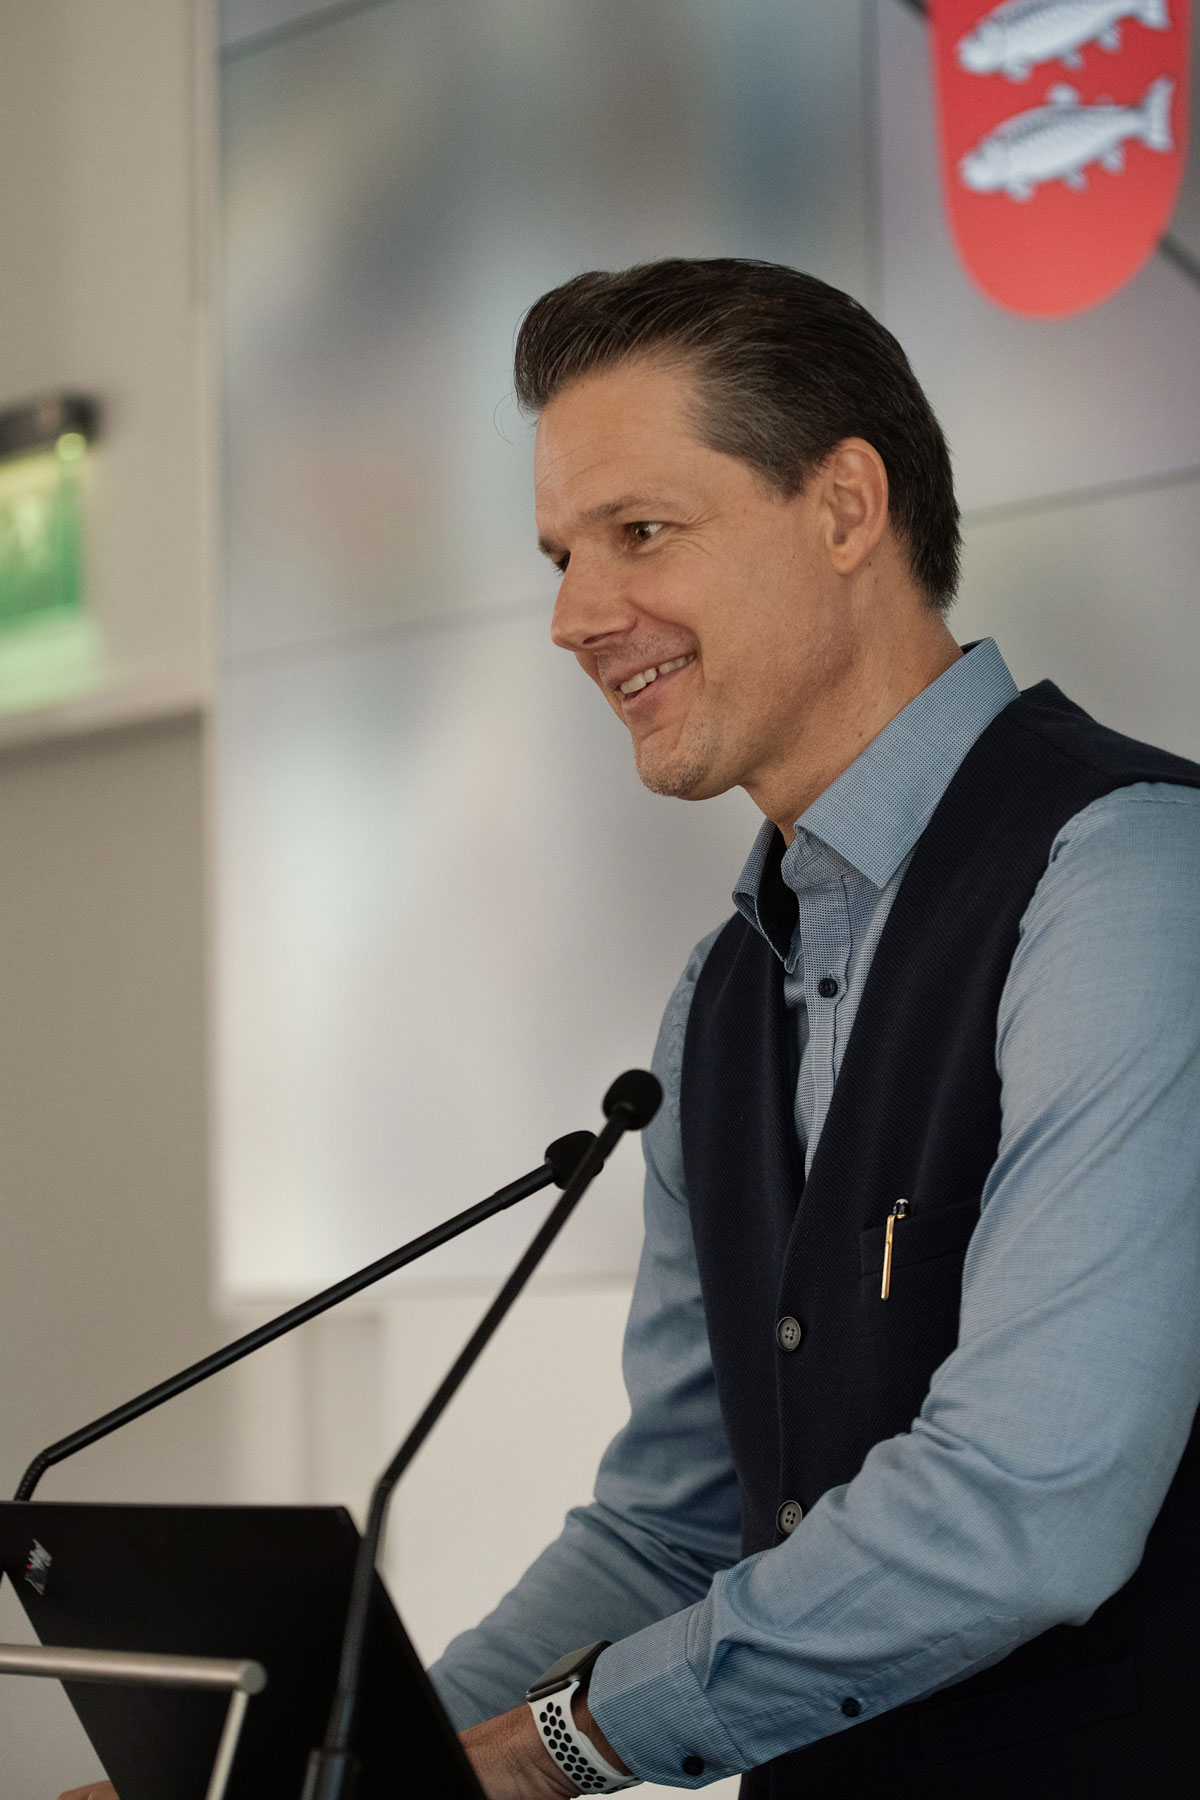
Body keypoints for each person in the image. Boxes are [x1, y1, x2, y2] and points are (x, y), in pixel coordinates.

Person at [58, 259, 1200, 1800]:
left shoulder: (1127, 877)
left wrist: (555, 1748)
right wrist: (324, 1774)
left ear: (846, 509)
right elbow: (673, 1528)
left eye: (639, 533)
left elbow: (1030, 1504)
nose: (575, 617)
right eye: (560, 556)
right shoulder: (720, 998)